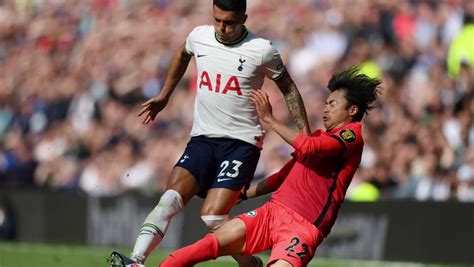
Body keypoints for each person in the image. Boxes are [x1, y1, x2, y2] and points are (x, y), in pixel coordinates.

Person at [109, 0, 310, 266]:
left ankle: (250, 264)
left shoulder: (262, 49)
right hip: (202, 138)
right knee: (169, 199)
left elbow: (289, 89)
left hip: (242, 143)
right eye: (217, 20)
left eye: (229, 22)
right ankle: (136, 261)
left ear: (244, 18)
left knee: (213, 217)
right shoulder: (199, 36)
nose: (222, 28)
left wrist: (305, 137)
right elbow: (182, 54)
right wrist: (165, 94)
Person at [159, 66, 382, 267]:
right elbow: (282, 176)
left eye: (332, 104)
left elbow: (309, 148)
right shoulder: (318, 137)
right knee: (210, 245)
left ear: (352, 110)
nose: (326, 109)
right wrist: (244, 194)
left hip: (303, 227)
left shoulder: (351, 136)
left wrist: (269, 119)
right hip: (271, 212)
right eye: (325, 103)